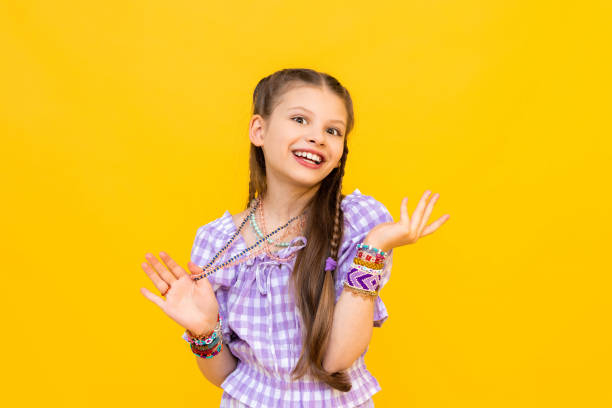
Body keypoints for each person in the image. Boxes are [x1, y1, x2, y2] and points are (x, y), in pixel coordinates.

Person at [140, 68, 450, 407]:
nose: (318, 137)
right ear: (259, 130)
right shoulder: (217, 242)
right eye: (300, 120)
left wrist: (374, 248)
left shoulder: (359, 223)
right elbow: (224, 375)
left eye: (333, 130)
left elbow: (337, 359)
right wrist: (203, 331)